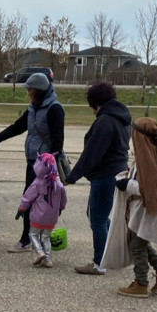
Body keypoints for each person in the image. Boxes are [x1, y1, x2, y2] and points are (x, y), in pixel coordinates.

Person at [0, 73, 65, 254]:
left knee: (41, 202)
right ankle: (30, 238)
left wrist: (50, 167)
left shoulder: (54, 109)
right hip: (32, 163)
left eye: (29, 89)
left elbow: (58, 141)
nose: (27, 93)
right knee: (30, 199)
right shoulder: (34, 108)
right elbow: (17, 127)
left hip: (45, 168)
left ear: (37, 90)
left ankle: (31, 239)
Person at [62, 80, 132, 276]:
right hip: (117, 172)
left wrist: (71, 177)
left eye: (93, 106)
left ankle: (99, 263)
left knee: (98, 219)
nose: (93, 111)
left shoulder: (105, 121)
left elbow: (92, 154)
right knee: (98, 216)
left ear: (97, 103)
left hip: (105, 174)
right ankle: (113, 252)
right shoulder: (123, 117)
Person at [109, 117, 157, 297]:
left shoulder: (148, 158)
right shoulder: (153, 153)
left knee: (137, 245)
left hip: (147, 209)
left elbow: (150, 187)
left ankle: (141, 283)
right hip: (146, 208)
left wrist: (127, 185)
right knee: (140, 241)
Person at [16, 153, 67, 268]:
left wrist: (21, 208)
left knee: (33, 234)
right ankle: (48, 259)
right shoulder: (58, 184)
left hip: (37, 216)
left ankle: (39, 252)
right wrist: (61, 208)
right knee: (46, 238)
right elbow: (64, 199)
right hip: (52, 217)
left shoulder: (37, 183)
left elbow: (27, 197)